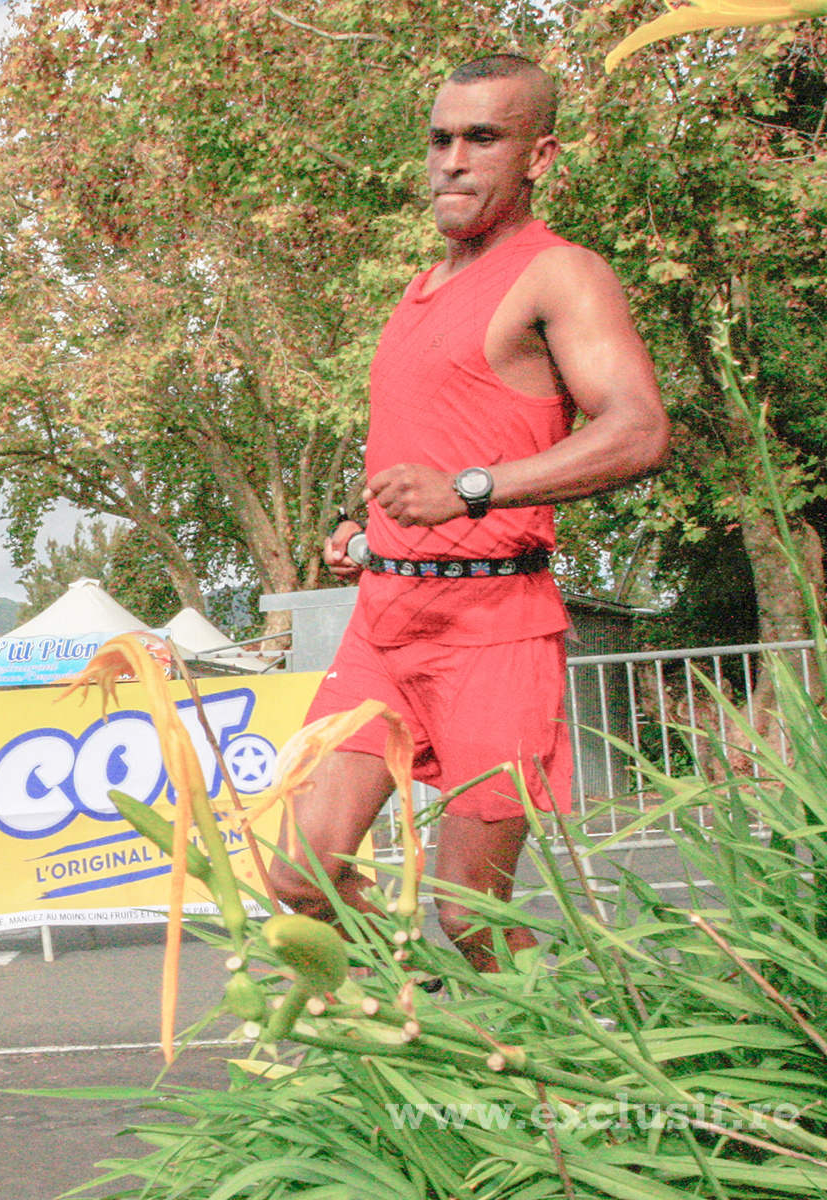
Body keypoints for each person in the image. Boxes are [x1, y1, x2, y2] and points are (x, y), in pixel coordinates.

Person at [268, 54, 670, 972]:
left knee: (473, 915)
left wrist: (473, 488)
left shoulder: (560, 274)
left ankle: (566, 1078)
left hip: (497, 632)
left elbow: (640, 430)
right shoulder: (418, 294)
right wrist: (371, 537)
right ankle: (418, 1030)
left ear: (541, 157)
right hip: (386, 622)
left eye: (482, 138)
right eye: (441, 139)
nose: (452, 160)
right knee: (297, 873)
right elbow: (433, 447)